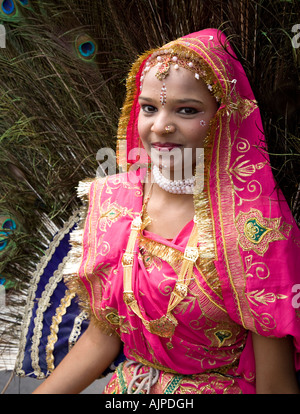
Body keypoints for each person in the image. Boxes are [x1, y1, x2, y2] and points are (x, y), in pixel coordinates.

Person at [33, 28, 300, 394]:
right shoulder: (116, 202)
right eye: (149, 108)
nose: (160, 127)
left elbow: (274, 385)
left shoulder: (256, 231)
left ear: (224, 116)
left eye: (186, 110)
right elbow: (101, 339)